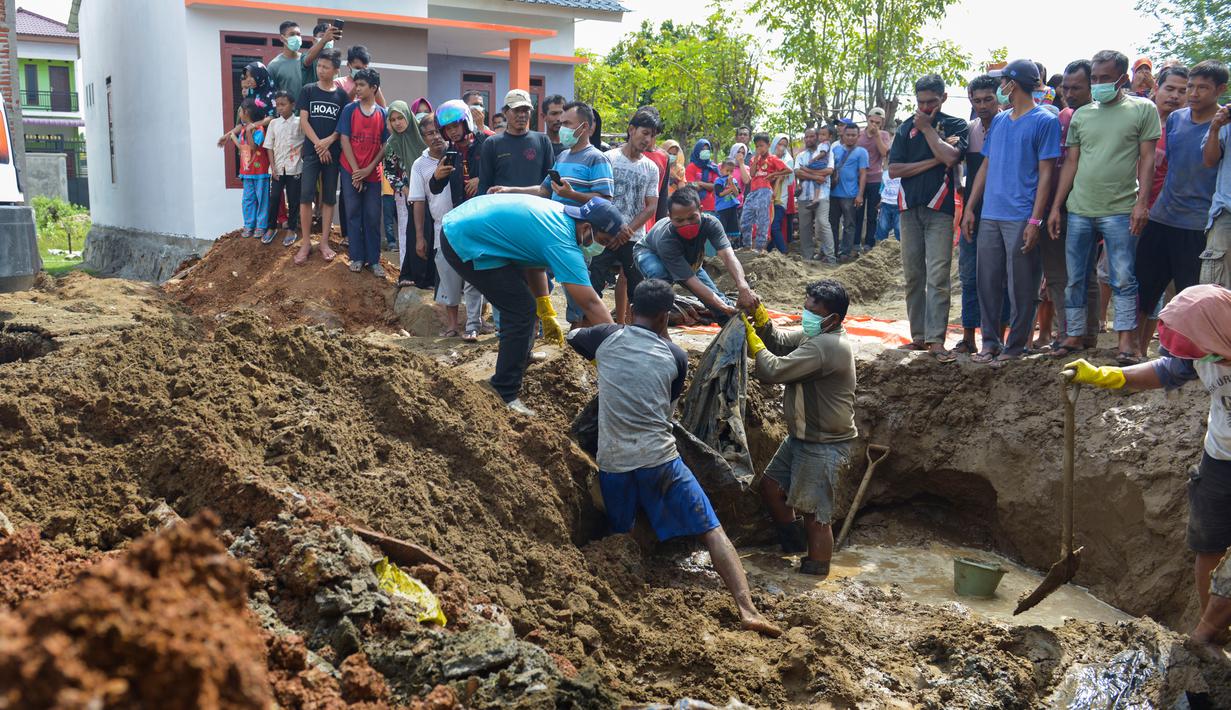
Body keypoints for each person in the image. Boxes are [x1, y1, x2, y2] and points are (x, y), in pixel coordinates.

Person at [566, 279, 782, 638]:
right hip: (661, 461)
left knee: (623, 531)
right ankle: (747, 609)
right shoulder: (675, 357)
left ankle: (631, 598)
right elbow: (667, 404)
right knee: (712, 530)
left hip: (614, 465)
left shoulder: (604, 337)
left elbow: (572, 338)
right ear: (667, 317)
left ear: (632, 309)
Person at [1061, 284, 1231, 652]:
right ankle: (1216, 637)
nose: (1197, 357)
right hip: (1220, 457)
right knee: (1209, 543)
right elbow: (1170, 369)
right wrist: (1108, 376)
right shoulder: (1203, 350)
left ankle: (1204, 636)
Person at [440, 194, 624, 414]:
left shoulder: (563, 219)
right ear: (587, 227)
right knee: (520, 311)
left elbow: (534, 265)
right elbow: (591, 303)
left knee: (527, 305)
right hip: (464, 237)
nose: (601, 248)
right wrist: (618, 350)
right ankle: (504, 392)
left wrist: (545, 309)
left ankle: (521, 356)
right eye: (602, 241)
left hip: (472, 223)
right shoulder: (561, 240)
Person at [1048, 50, 1160, 364]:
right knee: (1075, 276)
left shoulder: (1142, 109)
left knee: (1123, 277)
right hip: (1081, 207)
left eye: (1104, 79)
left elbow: (1148, 159)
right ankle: (1074, 335)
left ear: (1123, 79)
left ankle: (1126, 341)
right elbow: (1071, 162)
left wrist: (1142, 204)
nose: (1098, 85)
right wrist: (1058, 205)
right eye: (1094, 79)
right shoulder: (1082, 115)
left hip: (1121, 209)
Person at [744, 280, 857, 578]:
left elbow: (773, 370)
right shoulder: (815, 335)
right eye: (805, 308)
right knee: (771, 486)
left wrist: (753, 342)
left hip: (824, 443)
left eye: (812, 311)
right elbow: (780, 342)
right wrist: (760, 317)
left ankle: (815, 574)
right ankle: (793, 548)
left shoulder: (828, 347)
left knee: (816, 516)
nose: (806, 315)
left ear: (832, 318)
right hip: (802, 438)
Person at [962, 59, 1061, 363]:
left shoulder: (1045, 121)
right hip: (991, 213)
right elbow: (986, 166)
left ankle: (1016, 345)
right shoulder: (1002, 121)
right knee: (987, 280)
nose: (1000, 87)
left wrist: (1035, 219)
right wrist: (970, 208)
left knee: (1021, 284)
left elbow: (1046, 174)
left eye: (1003, 81)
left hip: (1020, 215)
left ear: (1012, 84)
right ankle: (989, 343)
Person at [490, 101, 612, 326]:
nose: (561, 126)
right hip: (550, 231)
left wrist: (573, 194)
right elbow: (544, 190)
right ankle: (535, 333)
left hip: (578, 236)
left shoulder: (597, 158)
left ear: (584, 127)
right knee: (536, 283)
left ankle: (578, 339)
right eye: (561, 122)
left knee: (577, 294)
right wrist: (509, 190)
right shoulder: (563, 156)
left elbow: (605, 200)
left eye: (567, 123)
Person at [1137, 62, 1229, 354]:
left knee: (1190, 295)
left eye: (1202, 87)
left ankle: (1180, 355)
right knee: (1146, 288)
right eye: (1191, 86)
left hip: (1199, 222)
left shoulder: (1224, 124)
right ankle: (1137, 351)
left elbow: (1210, 163)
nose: (1193, 93)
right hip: (1163, 215)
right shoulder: (1175, 119)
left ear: (1220, 91)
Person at [888, 74, 968, 361]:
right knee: (913, 275)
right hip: (908, 208)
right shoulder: (904, 128)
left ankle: (936, 340)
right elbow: (895, 170)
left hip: (941, 209)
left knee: (938, 276)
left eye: (931, 102)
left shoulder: (956, 124)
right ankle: (918, 336)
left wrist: (929, 132)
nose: (924, 108)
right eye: (920, 102)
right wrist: (936, 157)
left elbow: (952, 158)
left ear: (943, 98)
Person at [1037, 60, 1101, 351]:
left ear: (1092, 86)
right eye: (1067, 87)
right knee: (1061, 274)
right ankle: (1073, 335)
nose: (1070, 92)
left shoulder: (1100, 117)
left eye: (1078, 87)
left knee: (1081, 274)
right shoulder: (1062, 117)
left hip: (1086, 206)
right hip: (1057, 205)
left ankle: (1081, 336)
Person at [635, 187, 760, 320]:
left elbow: (728, 256)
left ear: (701, 210)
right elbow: (691, 281)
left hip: (688, 261)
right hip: (650, 253)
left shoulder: (711, 224)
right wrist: (723, 307)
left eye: (692, 218)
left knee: (721, 307)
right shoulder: (666, 239)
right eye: (680, 221)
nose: (687, 224)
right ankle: (657, 329)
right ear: (669, 217)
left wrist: (743, 287)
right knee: (661, 281)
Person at [411, 114, 482, 340]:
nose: (436, 137)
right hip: (443, 229)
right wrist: (420, 237)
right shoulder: (420, 165)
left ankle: (474, 323)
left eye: (437, 131)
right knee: (448, 278)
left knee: (475, 277)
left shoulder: (466, 154)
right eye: (429, 133)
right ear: (423, 138)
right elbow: (419, 201)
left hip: (471, 226)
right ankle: (452, 326)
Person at [592, 107, 661, 320]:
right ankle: (582, 332)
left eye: (652, 136)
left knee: (638, 291)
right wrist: (613, 230)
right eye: (645, 133)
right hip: (604, 236)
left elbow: (651, 206)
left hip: (633, 238)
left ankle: (636, 333)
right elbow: (598, 198)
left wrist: (627, 230)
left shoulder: (651, 168)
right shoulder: (607, 159)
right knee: (592, 284)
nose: (647, 140)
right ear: (631, 129)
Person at [953, 74, 1000, 354]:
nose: (982, 105)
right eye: (977, 100)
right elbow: (953, 159)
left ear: (998, 99)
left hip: (1003, 210)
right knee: (969, 274)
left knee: (1000, 277)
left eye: (988, 99)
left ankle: (996, 339)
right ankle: (968, 337)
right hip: (974, 211)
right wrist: (960, 182)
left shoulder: (1009, 126)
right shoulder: (969, 130)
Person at [294, 49, 347, 264]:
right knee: (306, 195)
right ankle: (306, 243)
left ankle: (324, 242)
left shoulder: (341, 96)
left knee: (328, 197)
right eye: (319, 66)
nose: (320, 70)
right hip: (312, 152)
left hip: (332, 154)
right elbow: (304, 122)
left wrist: (329, 142)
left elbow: (341, 127)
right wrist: (319, 145)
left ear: (336, 70)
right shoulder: (308, 90)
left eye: (325, 67)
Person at [338, 69, 389, 277]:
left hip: (373, 172)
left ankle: (374, 260)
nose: (356, 89)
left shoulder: (382, 114)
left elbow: (385, 144)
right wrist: (356, 171)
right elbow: (344, 140)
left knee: (372, 215)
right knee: (353, 213)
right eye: (356, 85)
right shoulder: (349, 110)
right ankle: (356, 257)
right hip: (350, 169)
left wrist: (368, 169)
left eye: (361, 85)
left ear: (374, 88)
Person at [478, 89, 554, 197]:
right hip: (503, 209)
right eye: (516, 110)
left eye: (525, 110)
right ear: (505, 112)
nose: (522, 115)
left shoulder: (543, 141)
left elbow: (550, 185)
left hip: (534, 209)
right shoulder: (492, 144)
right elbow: (484, 186)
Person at [383, 100, 425, 281]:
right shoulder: (392, 143)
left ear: (408, 116)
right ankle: (407, 273)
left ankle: (428, 275)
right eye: (392, 120)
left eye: (400, 117)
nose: (397, 123)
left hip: (430, 192)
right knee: (407, 232)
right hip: (406, 195)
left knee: (428, 231)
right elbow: (389, 171)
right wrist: (405, 189)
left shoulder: (423, 136)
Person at [261, 90, 304, 247]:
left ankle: (292, 229)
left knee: (293, 200)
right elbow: (269, 147)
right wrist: (273, 167)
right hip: (278, 169)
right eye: (278, 105)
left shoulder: (300, 122)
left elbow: (307, 141)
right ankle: (271, 227)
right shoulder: (273, 123)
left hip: (295, 169)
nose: (280, 108)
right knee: (274, 198)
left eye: (283, 104)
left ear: (292, 105)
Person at [1147, 65, 1191, 208]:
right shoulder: (1137, 122)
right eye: (1170, 89)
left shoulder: (1189, 131)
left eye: (1182, 91)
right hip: (1123, 208)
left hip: (1165, 212)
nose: (1175, 96)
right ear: (1156, 88)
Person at [740, 134, 791, 253]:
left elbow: (788, 170)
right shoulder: (754, 159)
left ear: (768, 145)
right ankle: (746, 245)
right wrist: (755, 160)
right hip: (753, 192)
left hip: (765, 190)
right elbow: (752, 174)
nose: (759, 148)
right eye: (757, 146)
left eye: (762, 146)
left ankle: (759, 247)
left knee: (762, 220)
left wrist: (773, 174)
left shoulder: (773, 159)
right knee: (745, 219)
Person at [230, 98, 270, 240]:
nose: (239, 113)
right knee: (247, 199)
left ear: (246, 112)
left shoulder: (258, 129)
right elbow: (243, 149)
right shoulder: (242, 130)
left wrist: (247, 132)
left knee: (261, 198)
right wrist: (233, 137)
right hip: (247, 172)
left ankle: (261, 225)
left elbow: (253, 146)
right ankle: (249, 224)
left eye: (240, 110)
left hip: (260, 172)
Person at [1203, 84, 1231, 289]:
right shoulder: (1226, 120)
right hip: (1226, 212)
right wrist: (1215, 128)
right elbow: (1209, 160)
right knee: (1214, 291)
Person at [830, 123, 870, 262]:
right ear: (843, 135)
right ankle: (832, 251)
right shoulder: (835, 150)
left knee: (849, 225)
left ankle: (845, 252)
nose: (851, 138)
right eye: (848, 135)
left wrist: (860, 194)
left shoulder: (862, 152)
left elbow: (863, 174)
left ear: (858, 136)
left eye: (854, 135)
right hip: (833, 193)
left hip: (850, 194)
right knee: (832, 224)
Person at [794, 127, 835, 262]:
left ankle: (830, 257)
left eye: (812, 136)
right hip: (803, 196)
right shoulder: (800, 155)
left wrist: (809, 173)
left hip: (822, 195)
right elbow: (797, 173)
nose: (809, 139)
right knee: (804, 227)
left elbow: (828, 171)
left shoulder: (827, 153)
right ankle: (807, 257)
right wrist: (817, 177)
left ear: (817, 137)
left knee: (823, 223)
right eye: (807, 137)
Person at [856, 108, 892, 253]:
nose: (874, 124)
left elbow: (884, 153)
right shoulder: (858, 134)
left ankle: (869, 243)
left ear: (882, 122)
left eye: (877, 122)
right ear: (867, 119)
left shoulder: (884, 135)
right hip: (858, 180)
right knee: (857, 213)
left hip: (876, 179)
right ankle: (855, 242)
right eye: (872, 121)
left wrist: (876, 135)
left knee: (872, 214)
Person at [769, 134, 796, 255]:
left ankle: (784, 252)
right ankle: (769, 252)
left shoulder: (788, 160)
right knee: (767, 226)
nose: (782, 148)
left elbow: (785, 176)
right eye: (780, 144)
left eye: (785, 145)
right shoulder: (766, 158)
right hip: (766, 197)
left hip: (780, 198)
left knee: (774, 226)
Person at [685, 139, 720, 214]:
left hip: (712, 207)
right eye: (703, 150)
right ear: (697, 151)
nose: (705, 152)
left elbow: (717, 186)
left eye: (707, 150)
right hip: (695, 206)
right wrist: (708, 185)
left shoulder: (713, 167)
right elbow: (691, 186)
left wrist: (700, 183)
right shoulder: (691, 167)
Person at [875, 169, 901, 241]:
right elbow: (882, 188)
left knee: (898, 227)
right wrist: (881, 200)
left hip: (899, 204)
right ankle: (881, 244)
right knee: (883, 226)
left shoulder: (903, 173)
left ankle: (899, 245)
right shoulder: (885, 174)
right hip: (885, 203)